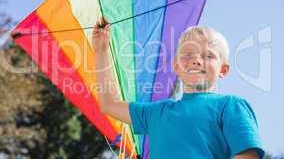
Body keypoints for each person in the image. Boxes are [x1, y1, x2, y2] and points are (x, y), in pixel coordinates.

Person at [92, 18, 265, 159]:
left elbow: (248, 155)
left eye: (208, 55)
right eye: (188, 54)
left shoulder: (231, 105)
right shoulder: (157, 112)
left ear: (223, 69)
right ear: (175, 65)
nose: (196, 60)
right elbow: (109, 103)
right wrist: (101, 51)